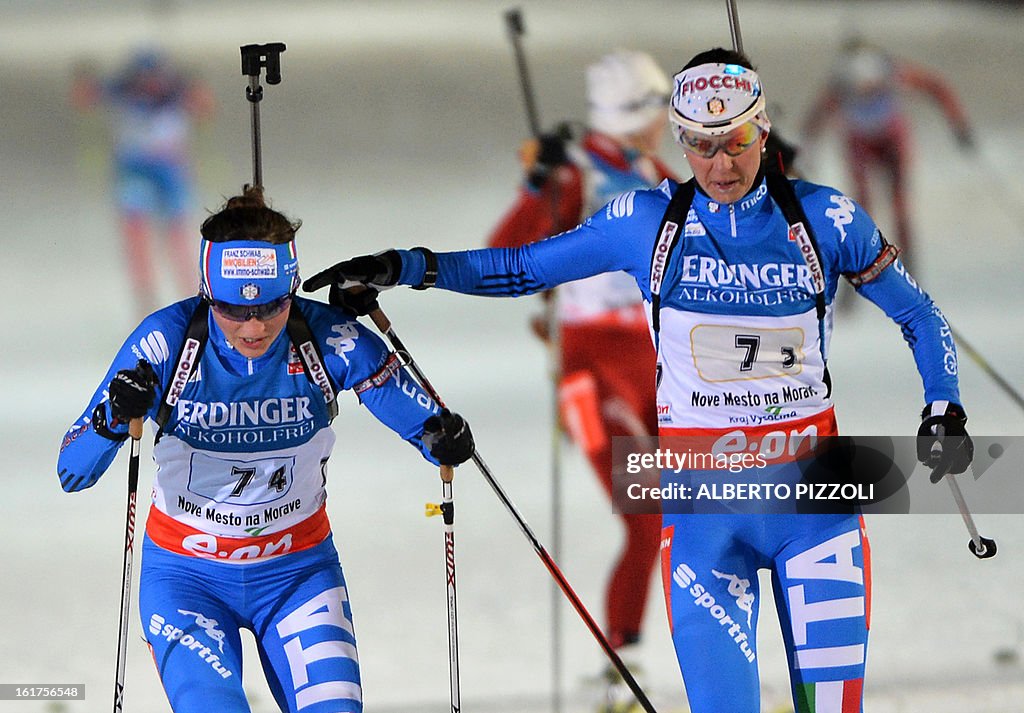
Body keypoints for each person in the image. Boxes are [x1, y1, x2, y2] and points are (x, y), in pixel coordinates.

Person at [303, 48, 974, 713]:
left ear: (762, 130)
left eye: (737, 140)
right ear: (680, 139)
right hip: (706, 517)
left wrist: (944, 405)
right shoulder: (647, 222)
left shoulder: (824, 219)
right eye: (701, 144)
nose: (721, 163)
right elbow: (522, 267)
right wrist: (408, 264)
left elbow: (918, 313)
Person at [57, 187, 475, 713]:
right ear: (208, 291)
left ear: (293, 289)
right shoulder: (164, 341)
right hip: (187, 577)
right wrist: (114, 416)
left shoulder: (327, 338)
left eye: (271, 306)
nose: (253, 327)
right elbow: (72, 469)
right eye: (233, 310)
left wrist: (441, 436)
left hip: (298, 573)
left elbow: (425, 424)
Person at [488, 49, 674, 704]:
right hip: (593, 374)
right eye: (659, 110)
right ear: (636, 113)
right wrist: (536, 188)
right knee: (647, 511)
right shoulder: (575, 174)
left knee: (694, 512)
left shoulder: (651, 171)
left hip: (659, 367)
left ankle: (671, 651)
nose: (667, 124)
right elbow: (500, 255)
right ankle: (622, 660)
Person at [800, 37, 974, 269]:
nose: (865, 93)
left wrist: (959, 124)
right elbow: (818, 115)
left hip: (891, 138)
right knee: (860, 207)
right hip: (860, 142)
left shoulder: (891, 71)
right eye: (859, 90)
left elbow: (935, 87)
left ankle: (910, 267)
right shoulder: (841, 81)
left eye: (872, 88)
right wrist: (808, 150)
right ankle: (860, 264)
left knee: (900, 203)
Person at [71, 49, 215, 313]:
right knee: (137, 232)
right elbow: (86, 99)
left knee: (178, 234)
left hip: (170, 169)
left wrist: (196, 90)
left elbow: (204, 107)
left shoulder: (174, 92)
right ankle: (146, 300)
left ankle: (193, 296)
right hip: (134, 168)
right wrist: (85, 83)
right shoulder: (123, 91)